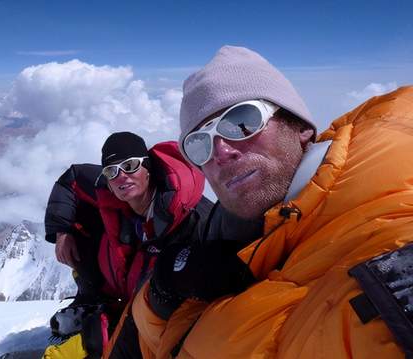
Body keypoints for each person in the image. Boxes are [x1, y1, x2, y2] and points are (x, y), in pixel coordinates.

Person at [131, 45, 413, 358]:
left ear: (302, 128)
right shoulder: (235, 235)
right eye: (199, 144)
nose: (222, 152)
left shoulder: (388, 246)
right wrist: (160, 293)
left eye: (241, 121)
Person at [43, 132, 213, 358]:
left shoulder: (189, 219)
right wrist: (62, 231)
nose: (122, 176)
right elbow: (71, 180)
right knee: (82, 223)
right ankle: (95, 300)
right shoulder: (113, 196)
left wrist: (109, 330)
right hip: (122, 292)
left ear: (148, 168)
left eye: (131, 166)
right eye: (112, 171)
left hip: (160, 315)